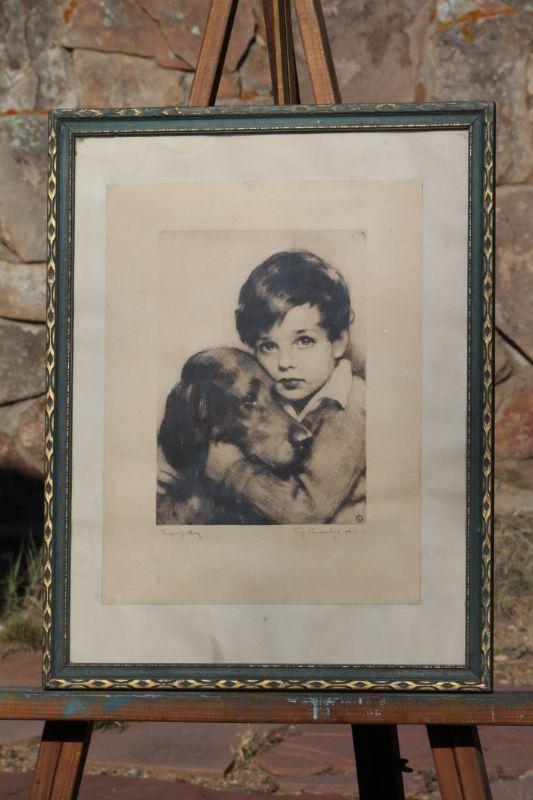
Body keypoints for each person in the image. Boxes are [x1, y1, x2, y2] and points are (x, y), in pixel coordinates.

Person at [205, 250, 366, 524]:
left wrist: (231, 471)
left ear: (338, 341)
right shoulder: (277, 397)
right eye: (269, 346)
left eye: (304, 341)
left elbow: (305, 513)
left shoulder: (350, 407)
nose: (284, 362)